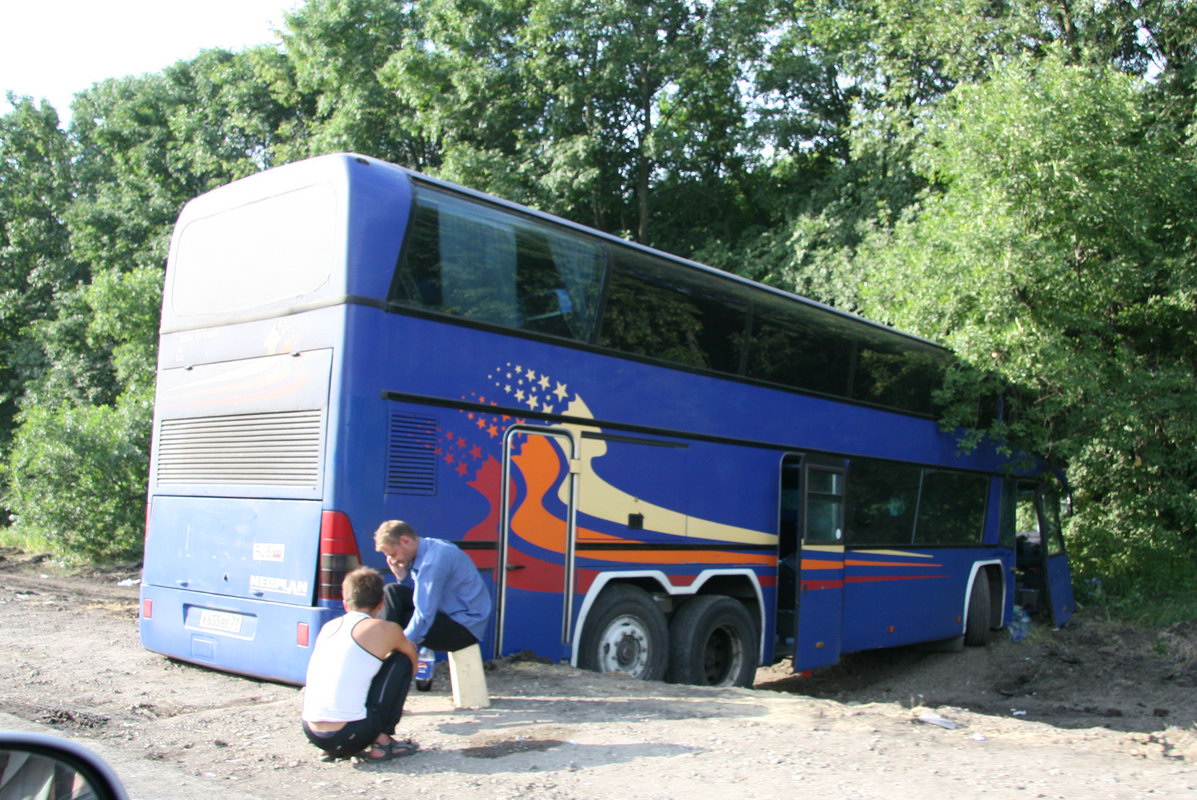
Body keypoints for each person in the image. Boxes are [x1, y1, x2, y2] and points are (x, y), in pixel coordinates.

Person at [301, 567, 419, 762]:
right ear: (381, 604)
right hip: (350, 733)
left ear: (345, 603)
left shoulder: (328, 627)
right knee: (401, 660)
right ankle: (382, 742)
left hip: (313, 732)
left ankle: (331, 748)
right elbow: (411, 664)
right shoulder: (385, 629)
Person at [373, 520, 492, 659]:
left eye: (393, 554)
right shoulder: (427, 549)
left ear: (405, 540)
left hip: (464, 628)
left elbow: (424, 613)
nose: (392, 560)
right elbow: (417, 597)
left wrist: (402, 643)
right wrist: (402, 576)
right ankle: (380, 647)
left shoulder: (434, 560)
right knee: (392, 591)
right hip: (447, 615)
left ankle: (380, 654)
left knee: (403, 623)